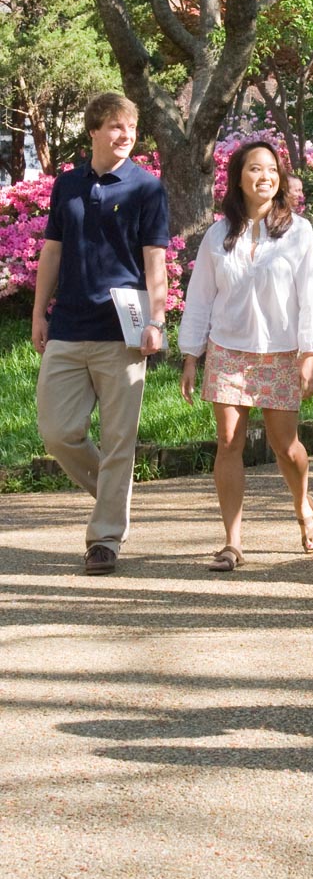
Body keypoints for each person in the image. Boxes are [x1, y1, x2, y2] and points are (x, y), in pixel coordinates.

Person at [32, 92, 169, 575]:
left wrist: (157, 320)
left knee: (118, 441)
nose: (125, 134)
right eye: (114, 126)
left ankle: (104, 538)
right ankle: (115, 495)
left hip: (123, 334)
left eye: (130, 127)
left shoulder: (147, 189)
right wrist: (38, 314)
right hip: (68, 326)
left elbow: (156, 262)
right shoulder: (66, 186)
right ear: (93, 131)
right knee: (58, 432)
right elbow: (51, 252)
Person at [178, 141, 313, 571]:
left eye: (272, 169)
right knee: (228, 442)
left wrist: (309, 354)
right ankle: (232, 542)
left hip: (279, 353)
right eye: (255, 168)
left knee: (286, 448)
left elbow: (309, 297)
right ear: (238, 178)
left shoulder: (299, 232)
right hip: (227, 351)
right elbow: (200, 298)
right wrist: (192, 354)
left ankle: (302, 506)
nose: (265, 176)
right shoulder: (216, 235)